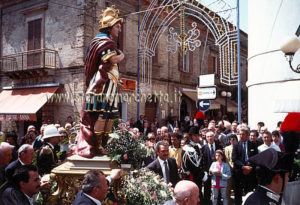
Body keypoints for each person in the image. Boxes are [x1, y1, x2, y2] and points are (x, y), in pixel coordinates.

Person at [73, 5, 125, 158]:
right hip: (102, 84)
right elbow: (111, 59)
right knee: (102, 114)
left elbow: (110, 65)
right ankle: (97, 145)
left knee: (108, 114)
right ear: (109, 28)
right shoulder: (105, 41)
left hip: (109, 83)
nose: (119, 30)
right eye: (117, 26)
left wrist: (117, 82)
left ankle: (102, 144)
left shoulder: (105, 40)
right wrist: (122, 55)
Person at [232, 128, 258, 205]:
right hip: (239, 173)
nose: (241, 136)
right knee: (238, 193)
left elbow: (255, 158)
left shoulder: (253, 144)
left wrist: (249, 167)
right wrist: (243, 167)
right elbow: (234, 159)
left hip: (250, 172)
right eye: (240, 134)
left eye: (243, 134)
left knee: (249, 192)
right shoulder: (236, 145)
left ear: (247, 135)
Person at [202, 131, 223, 204]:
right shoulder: (203, 148)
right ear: (205, 138)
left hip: (218, 172)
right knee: (207, 190)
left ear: (214, 137)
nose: (209, 138)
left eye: (211, 136)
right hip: (208, 173)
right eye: (208, 137)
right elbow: (203, 161)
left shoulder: (219, 146)